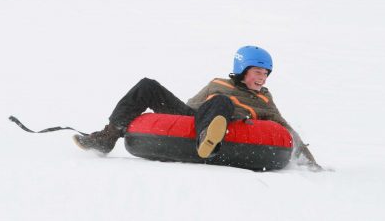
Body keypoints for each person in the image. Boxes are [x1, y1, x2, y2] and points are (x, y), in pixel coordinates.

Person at [74, 46, 321, 169]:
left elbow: (284, 127)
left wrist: (310, 162)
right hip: (197, 116)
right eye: (258, 72)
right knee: (147, 85)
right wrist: (175, 118)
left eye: (266, 74)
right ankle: (108, 135)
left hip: (231, 121)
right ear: (243, 70)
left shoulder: (264, 100)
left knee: (222, 102)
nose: (262, 78)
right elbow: (191, 107)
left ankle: (208, 141)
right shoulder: (218, 83)